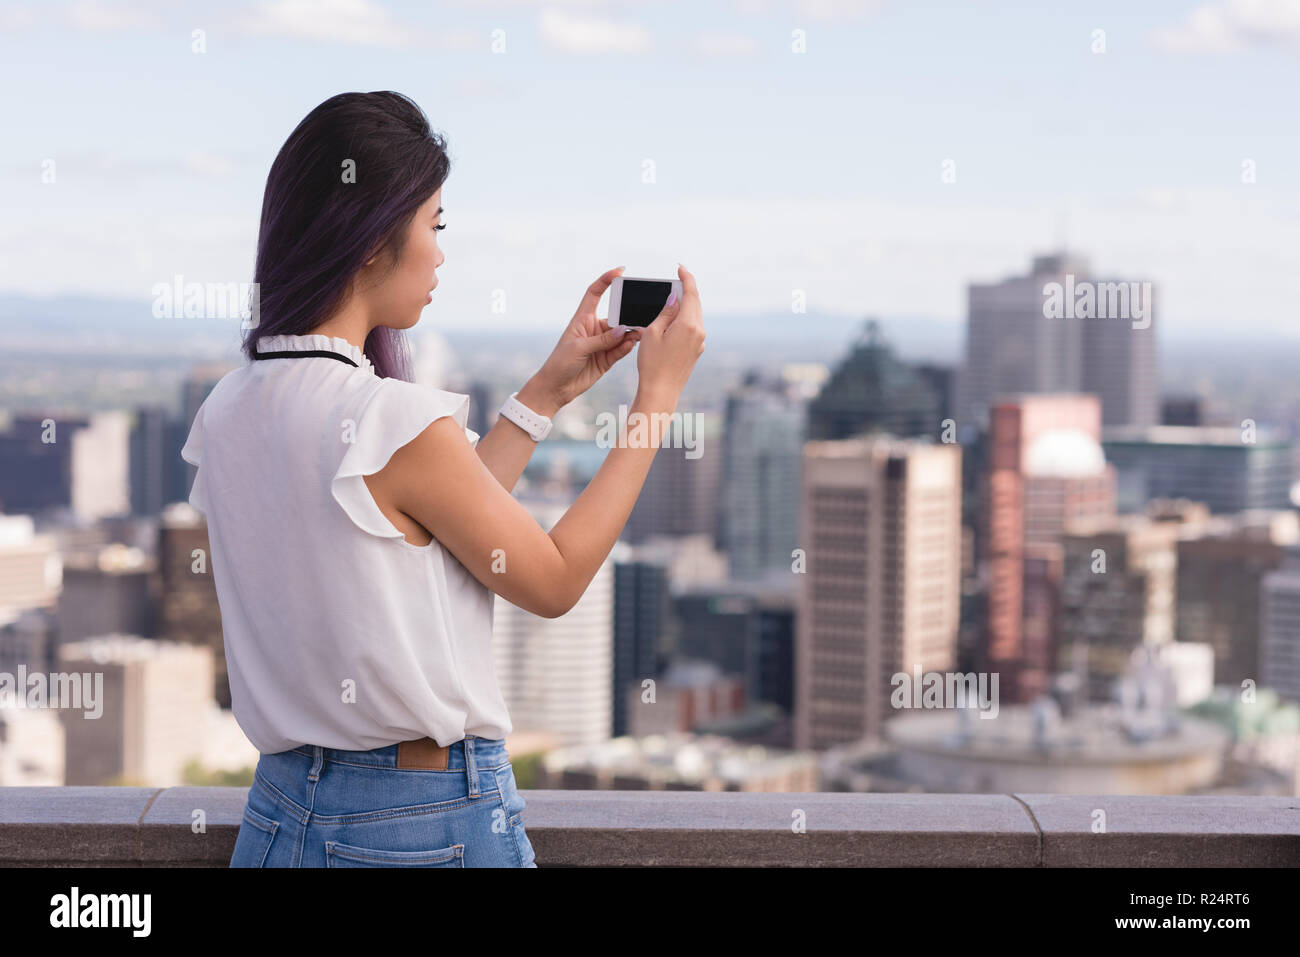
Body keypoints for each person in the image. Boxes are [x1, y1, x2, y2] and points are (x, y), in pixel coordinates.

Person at [180, 91, 705, 868]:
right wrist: (656, 402)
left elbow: (430, 526)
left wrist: (547, 393)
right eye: (435, 224)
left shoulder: (230, 406)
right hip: (422, 828)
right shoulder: (384, 414)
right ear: (368, 242)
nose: (441, 253)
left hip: (278, 821)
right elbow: (552, 580)